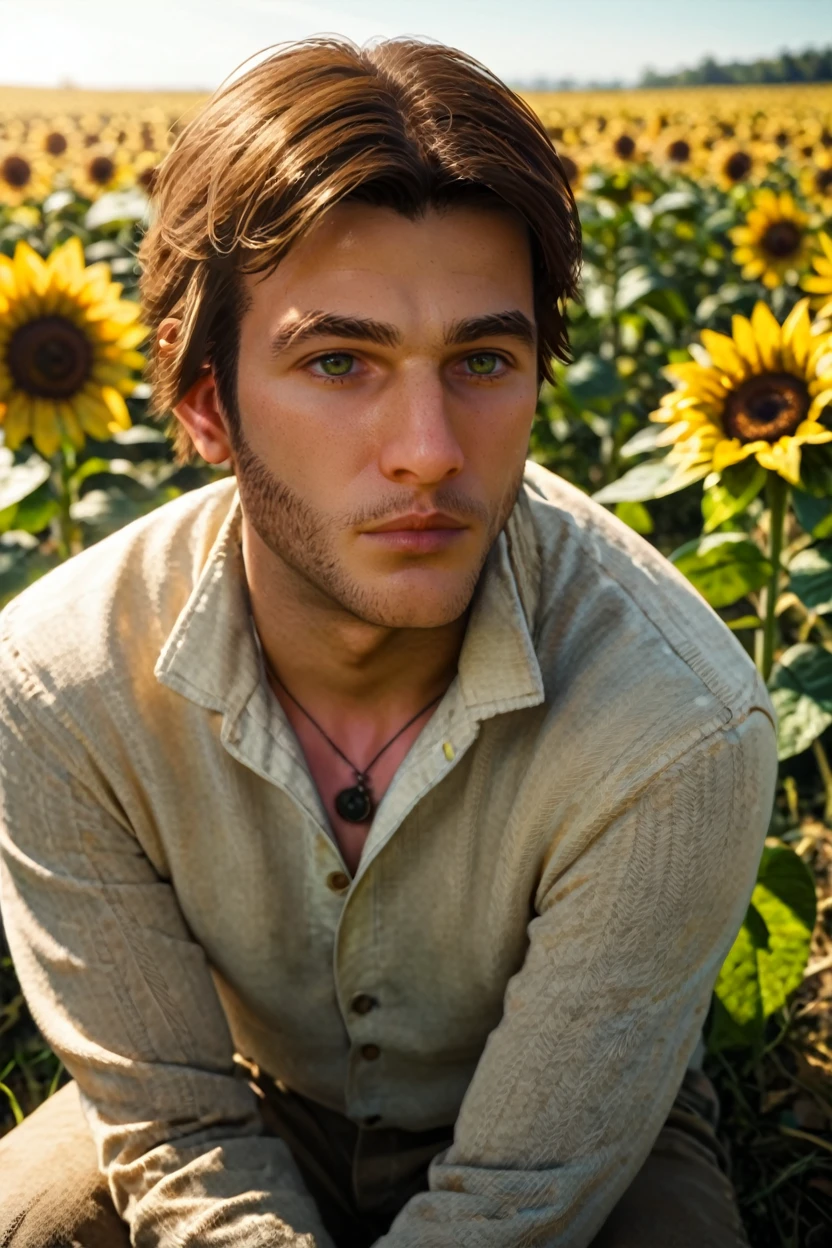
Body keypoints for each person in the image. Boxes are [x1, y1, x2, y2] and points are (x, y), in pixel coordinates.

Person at [0, 35, 777, 1248]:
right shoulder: (58, 690)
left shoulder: (675, 726)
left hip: (570, 1121)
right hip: (250, 1092)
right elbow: (179, 1128)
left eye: (481, 360)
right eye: (340, 361)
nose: (429, 448)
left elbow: (523, 1199)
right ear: (206, 401)